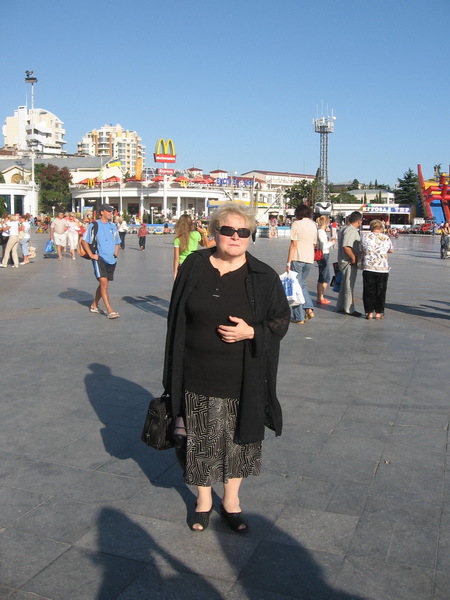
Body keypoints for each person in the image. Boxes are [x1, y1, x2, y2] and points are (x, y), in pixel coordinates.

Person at [163, 202, 290, 533]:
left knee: (238, 442)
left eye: (243, 231)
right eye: (228, 230)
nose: (236, 237)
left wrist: (252, 332)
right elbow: (176, 316)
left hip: (243, 375)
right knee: (200, 440)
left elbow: (281, 319)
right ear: (215, 232)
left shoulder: (262, 276)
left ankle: (231, 501)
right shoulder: (194, 265)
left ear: (250, 236)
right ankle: (203, 500)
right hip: (196, 371)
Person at [81, 204, 121, 319]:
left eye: (111, 211)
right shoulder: (94, 225)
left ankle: (94, 305)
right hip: (99, 258)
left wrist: (116, 253)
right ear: (102, 212)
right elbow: (84, 241)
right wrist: (91, 254)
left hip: (111, 259)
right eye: (108, 211)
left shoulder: (113, 226)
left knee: (104, 284)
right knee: (104, 283)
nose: (110, 213)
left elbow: (117, 241)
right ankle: (109, 310)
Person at [285, 204, 318, 324]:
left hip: (298, 257)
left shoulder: (296, 224)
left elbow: (293, 245)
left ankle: (299, 316)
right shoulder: (313, 224)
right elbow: (314, 244)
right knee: (301, 284)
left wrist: (288, 262)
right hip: (309, 258)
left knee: (295, 287)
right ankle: (308, 308)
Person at [361, 219, 394, 319]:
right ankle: (379, 313)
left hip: (369, 267)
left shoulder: (365, 236)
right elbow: (391, 250)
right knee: (381, 291)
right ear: (381, 228)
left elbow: (361, 249)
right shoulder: (386, 238)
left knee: (368, 290)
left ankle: (369, 312)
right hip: (382, 268)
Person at [336, 211, 363, 317]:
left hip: (344, 260)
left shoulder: (345, 229)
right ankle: (349, 308)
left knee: (344, 285)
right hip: (348, 262)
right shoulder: (351, 230)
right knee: (349, 285)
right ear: (359, 221)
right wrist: (353, 258)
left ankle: (341, 306)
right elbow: (346, 246)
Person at [173, 215, 214, 279]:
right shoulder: (196, 234)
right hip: (193, 264)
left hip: (182, 265)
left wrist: (175, 272)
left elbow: (176, 258)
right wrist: (202, 231)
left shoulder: (177, 239)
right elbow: (203, 244)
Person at [316, 215, 336, 304]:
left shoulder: (320, 231)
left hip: (323, 255)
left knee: (323, 276)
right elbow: (323, 246)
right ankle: (320, 297)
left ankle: (320, 296)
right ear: (326, 223)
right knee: (325, 277)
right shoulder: (321, 232)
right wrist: (331, 243)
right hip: (324, 255)